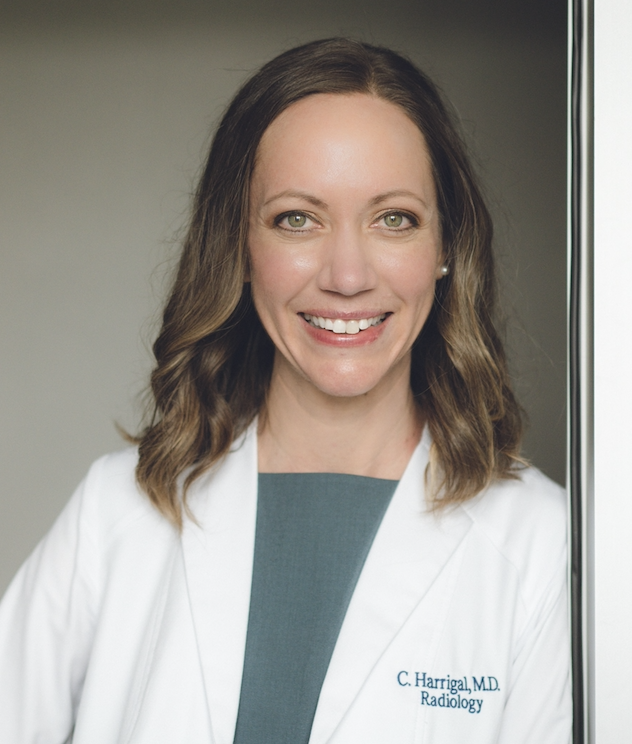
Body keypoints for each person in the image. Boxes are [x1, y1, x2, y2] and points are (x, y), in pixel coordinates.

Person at [0, 38, 570, 743]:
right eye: (296, 218)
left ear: (446, 248)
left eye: (394, 218)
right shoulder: (115, 513)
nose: (348, 274)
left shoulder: (543, 545)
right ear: (239, 246)